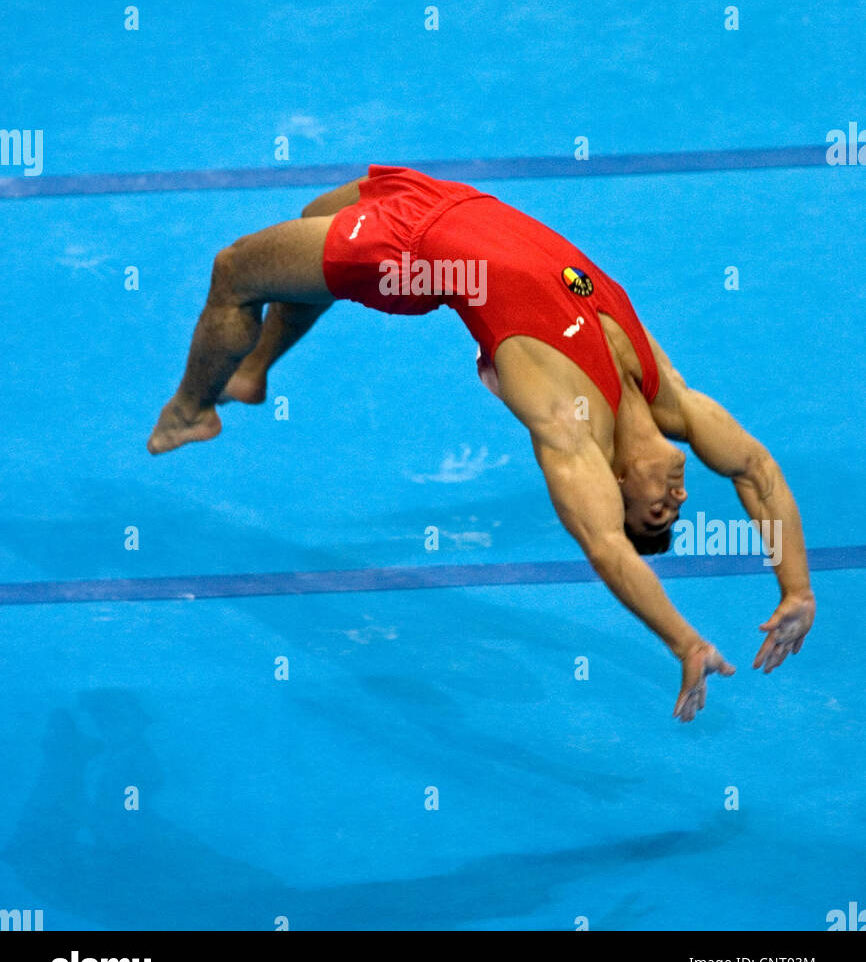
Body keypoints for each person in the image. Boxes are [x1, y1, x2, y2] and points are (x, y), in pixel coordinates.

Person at [148, 164, 815, 721]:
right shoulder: (668, 394)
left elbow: (608, 549)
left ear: (614, 486)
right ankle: (254, 371)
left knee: (235, 268)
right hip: (446, 198)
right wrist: (797, 590)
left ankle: (191, 410)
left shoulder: (566, 425)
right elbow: (756, 471)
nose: (678, 494)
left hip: (411, 254)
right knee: (306, 235)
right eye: (677, 506)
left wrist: (683, 642)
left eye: (659, 511)